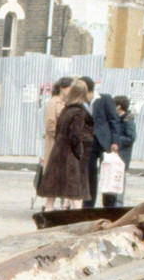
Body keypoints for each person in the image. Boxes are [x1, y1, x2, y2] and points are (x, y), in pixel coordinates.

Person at [36, 79, 93, 209]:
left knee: (52, 193)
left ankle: (47, 216)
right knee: (74, 192)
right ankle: (77, 220)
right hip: (71, 155)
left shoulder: (66, 110)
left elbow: (61, 130)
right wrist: (80, 152)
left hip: (58, 152)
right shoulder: (79, 112)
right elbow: (75, 135)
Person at [81, 75, 121, 208]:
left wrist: (115, 141)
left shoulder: (104, 99)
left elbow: (114, 120)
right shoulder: (80, 103)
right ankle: (88, 205)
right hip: (88, 144)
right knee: (89, 175)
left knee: (108, 175)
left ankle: (109, 206)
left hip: (105, 143)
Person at [40, 77, 73, 210]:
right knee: (53, 175)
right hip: (55, 144)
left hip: (68, 145)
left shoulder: (69, 103)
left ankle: (66, 203)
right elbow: (50, 125)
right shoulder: (52, 103)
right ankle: (49, 205)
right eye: (69, 88)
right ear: (62, 88)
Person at [114, 95, 136, 202]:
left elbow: (130, 138)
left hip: (122, 155)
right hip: (114, 155)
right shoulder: (116, 119)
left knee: (119, 180)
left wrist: (116, 141)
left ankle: (118, 203)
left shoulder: (128, 120)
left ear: (118, 106)